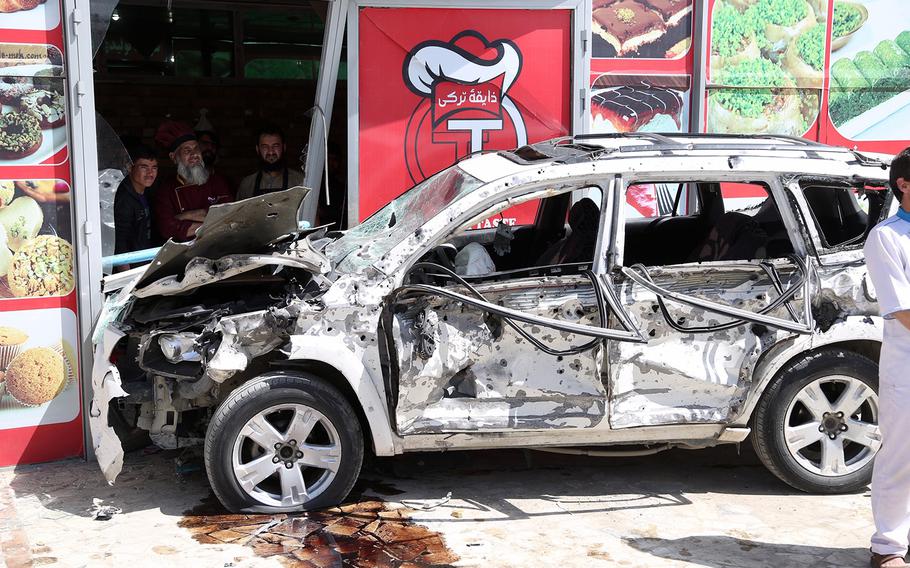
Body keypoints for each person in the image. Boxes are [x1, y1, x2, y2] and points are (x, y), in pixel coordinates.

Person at [865, 147, 910, 568]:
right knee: (901, 457)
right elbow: (902, 310)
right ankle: (888, 548)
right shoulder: (887, 237)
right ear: (904, 185)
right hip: (907, 369)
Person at [153, 120, 233, 242]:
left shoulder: (217, 181)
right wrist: (210, 221)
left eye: (197, 149)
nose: (195, 154)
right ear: (173, 157)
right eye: (187, 150)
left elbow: (228, 216)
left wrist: (183, 216)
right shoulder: (166, 189)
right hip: (183, 254)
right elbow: (167, 228)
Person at [237, 125, 317, 225]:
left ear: (284, 147)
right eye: (265, 147)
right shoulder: (247, 184)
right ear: (257, 149)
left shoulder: (300, 182)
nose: (271, 152)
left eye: (275, 146)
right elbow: (237, 223)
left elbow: (312, 220)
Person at [113, 144, 158, 266]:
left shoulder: (147, 192)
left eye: (154, 168)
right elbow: (120, 243)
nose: (150, 173)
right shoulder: (124, 199)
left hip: (145, 261)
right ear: (129, 167)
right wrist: (126, 280)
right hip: (132, 267)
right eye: (144, 167)